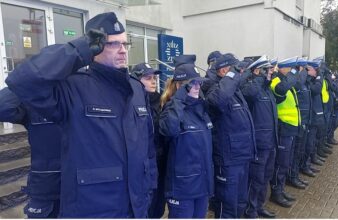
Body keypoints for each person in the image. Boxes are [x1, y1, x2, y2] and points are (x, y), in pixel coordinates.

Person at [6, 12, 154, 218]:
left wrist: (148, 189)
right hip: (93, 207)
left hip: (136, 206)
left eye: (125, 44)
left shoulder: (136, 89)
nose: (122, 51)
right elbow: (22, 81)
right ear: (94, 47)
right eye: (112, 44)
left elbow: (147, 147)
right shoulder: (72, 87)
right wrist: (78, 49)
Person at [159, 56, 213, 218]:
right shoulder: (171, 109)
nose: (197, 87)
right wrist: (180, 98)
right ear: (179, 86)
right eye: (191, 83)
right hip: (183, 188)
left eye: (199, 83)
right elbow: (169, 129)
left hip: (202, 185)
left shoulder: (200, 109)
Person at [204, 53, 256, 218]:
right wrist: (234, 74)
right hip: (228, 160)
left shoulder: (235, 91)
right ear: (224, 71)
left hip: (242, 157)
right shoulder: (214, 89)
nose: (239, 73)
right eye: (234, 69)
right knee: (227, 206)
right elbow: (219, 100)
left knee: (240, 202)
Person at [0, 88, 61, 218]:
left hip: (80, 188)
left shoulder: (84, 91)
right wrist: (29, 78)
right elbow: (3, 108)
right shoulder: (35, 99)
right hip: (45, 190)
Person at [240, 56, 278, 218]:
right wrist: (258, 77)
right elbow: (250, 93)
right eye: (266, 69)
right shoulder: (250, 87)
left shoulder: (267, 89)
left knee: (265, 176)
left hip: (271, 141)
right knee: (256, 178)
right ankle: (251, 209)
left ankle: (259, 205)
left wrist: (264, 80)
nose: (270, 72)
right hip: (259, 143)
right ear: (257, 71)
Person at [131, 63, 166, 218]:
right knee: (147, 206)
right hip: (143, 165)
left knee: (159, 205)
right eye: (148, 78)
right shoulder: (131, 103)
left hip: (160, 161)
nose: (153, 81)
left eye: (154, 78)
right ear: (137, 81)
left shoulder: (161, 101)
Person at [269, 57, 300, 208]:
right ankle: (276, 193)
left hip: (291, 127)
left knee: (286, 162)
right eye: (290, 68)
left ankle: (281, 189)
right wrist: (294, 74)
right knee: (280, 164)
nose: (292, 71)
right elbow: (281, 90)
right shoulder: (276, 82)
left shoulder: (286, 82)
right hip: (283, 128)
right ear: (283, 68)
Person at [287, 58, 311, 190]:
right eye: (303, 67)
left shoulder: (298, 78)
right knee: (295, 152)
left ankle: (294, 175)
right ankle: (292, 177)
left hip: (301, 121)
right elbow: (299, 83)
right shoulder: (294, 79)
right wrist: (300, 72)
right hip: (292, 124)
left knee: (299, 150)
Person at [301, 60, 325, 177]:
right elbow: (316, 90)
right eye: (308, 69)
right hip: (309, 118)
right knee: (308, 144)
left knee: (312, 143)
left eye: (311, 69)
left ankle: (308, 164)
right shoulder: (308, 82)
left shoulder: (313, 80)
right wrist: (319, 77)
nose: (309, 72)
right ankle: (305, 166)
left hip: (315, 117)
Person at [327, 73, 338, 145]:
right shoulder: (334, 84)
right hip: (335, 107)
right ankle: (329, 138)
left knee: (335, 124)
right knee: (334, 124)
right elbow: (335, 91)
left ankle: (330, 137)